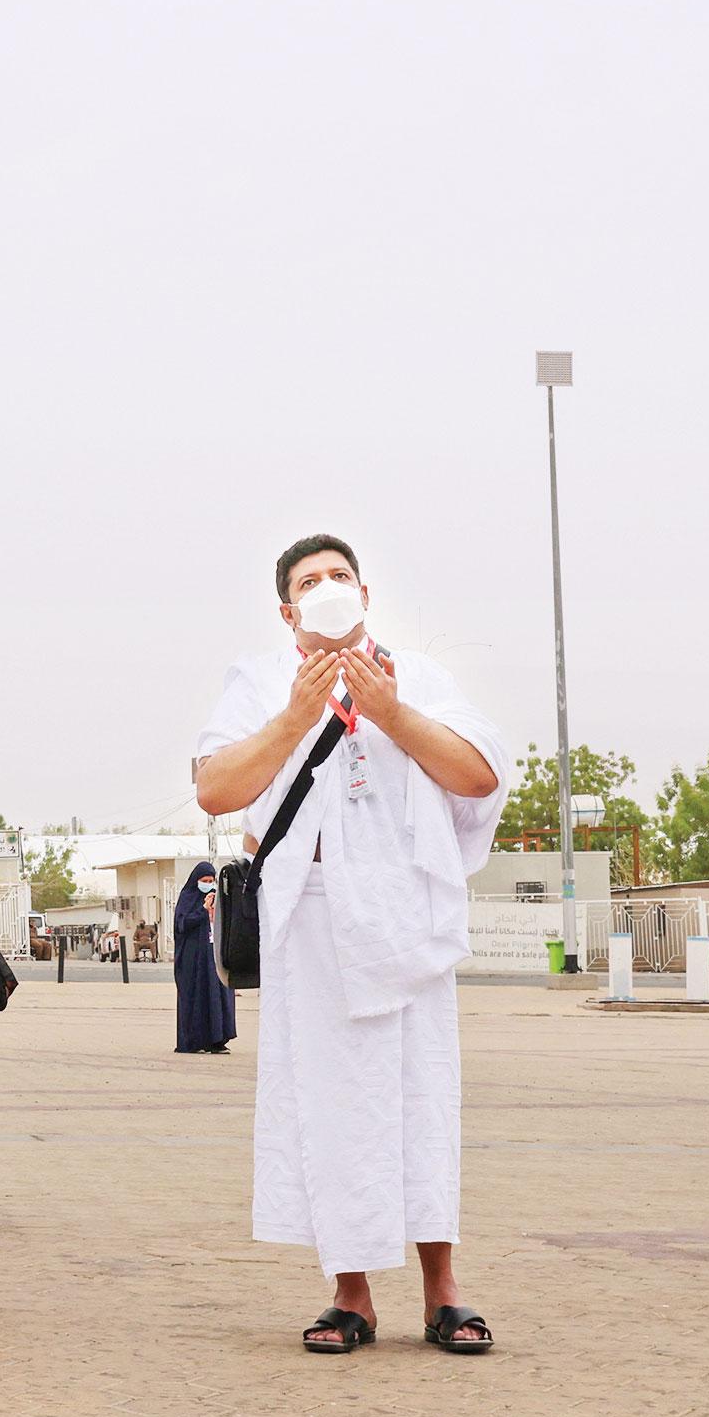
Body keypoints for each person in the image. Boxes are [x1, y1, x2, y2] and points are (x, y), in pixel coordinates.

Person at [193, 534, 505, 1355]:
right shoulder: (258, 678)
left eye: (339, 576)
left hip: (404, 913)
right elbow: (216, 787)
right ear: (287, 610)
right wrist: (294, 715)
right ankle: (351, 1292)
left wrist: (394, 710)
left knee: (420, 1100)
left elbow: (478, 777)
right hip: (315, 918)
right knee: (332, 1106)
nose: (327, 588)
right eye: (309, 581)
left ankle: (443, 1290)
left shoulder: (422, 675)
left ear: (365, 592)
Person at [171, 859, 237, 1055]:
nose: (208, 884)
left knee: (218, 997)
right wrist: (203, 910)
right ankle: (194, 1041)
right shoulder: (188, 898)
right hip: (193, 961)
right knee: (196, 997)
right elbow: (182, 925)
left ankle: (217, 1040)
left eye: (211, 880)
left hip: (214, 958)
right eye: (205, 880)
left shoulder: (219, 898)